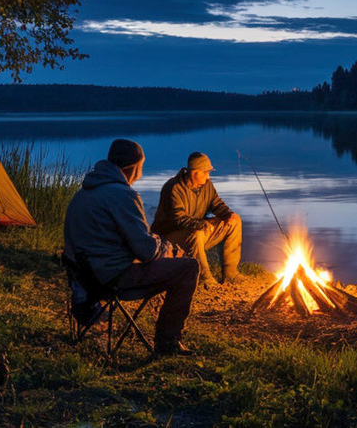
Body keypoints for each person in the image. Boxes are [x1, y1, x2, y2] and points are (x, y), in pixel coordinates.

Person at [63, 139, 199, 356]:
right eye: (142, 166)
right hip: (112, 278)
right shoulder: (123, 195)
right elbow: (145, 251)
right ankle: (168, 342)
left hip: (84, 277)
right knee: (188, 267)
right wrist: (170, 250)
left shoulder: (84, 193)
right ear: (134, 167)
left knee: (171, 258)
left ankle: (167, 340)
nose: (142, 173)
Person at [151, 151, 243, 288]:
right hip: (170, 237)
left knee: (235, 221)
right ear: (195, 173)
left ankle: (230, 273)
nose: (208, 177)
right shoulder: (174, 188)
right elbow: (178, 219)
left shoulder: (207, 186)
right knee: (197, 232)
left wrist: (227, 214)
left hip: (197, 231)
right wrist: (201, 224)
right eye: (206, 173)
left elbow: (216, 204)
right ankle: (204, 277)